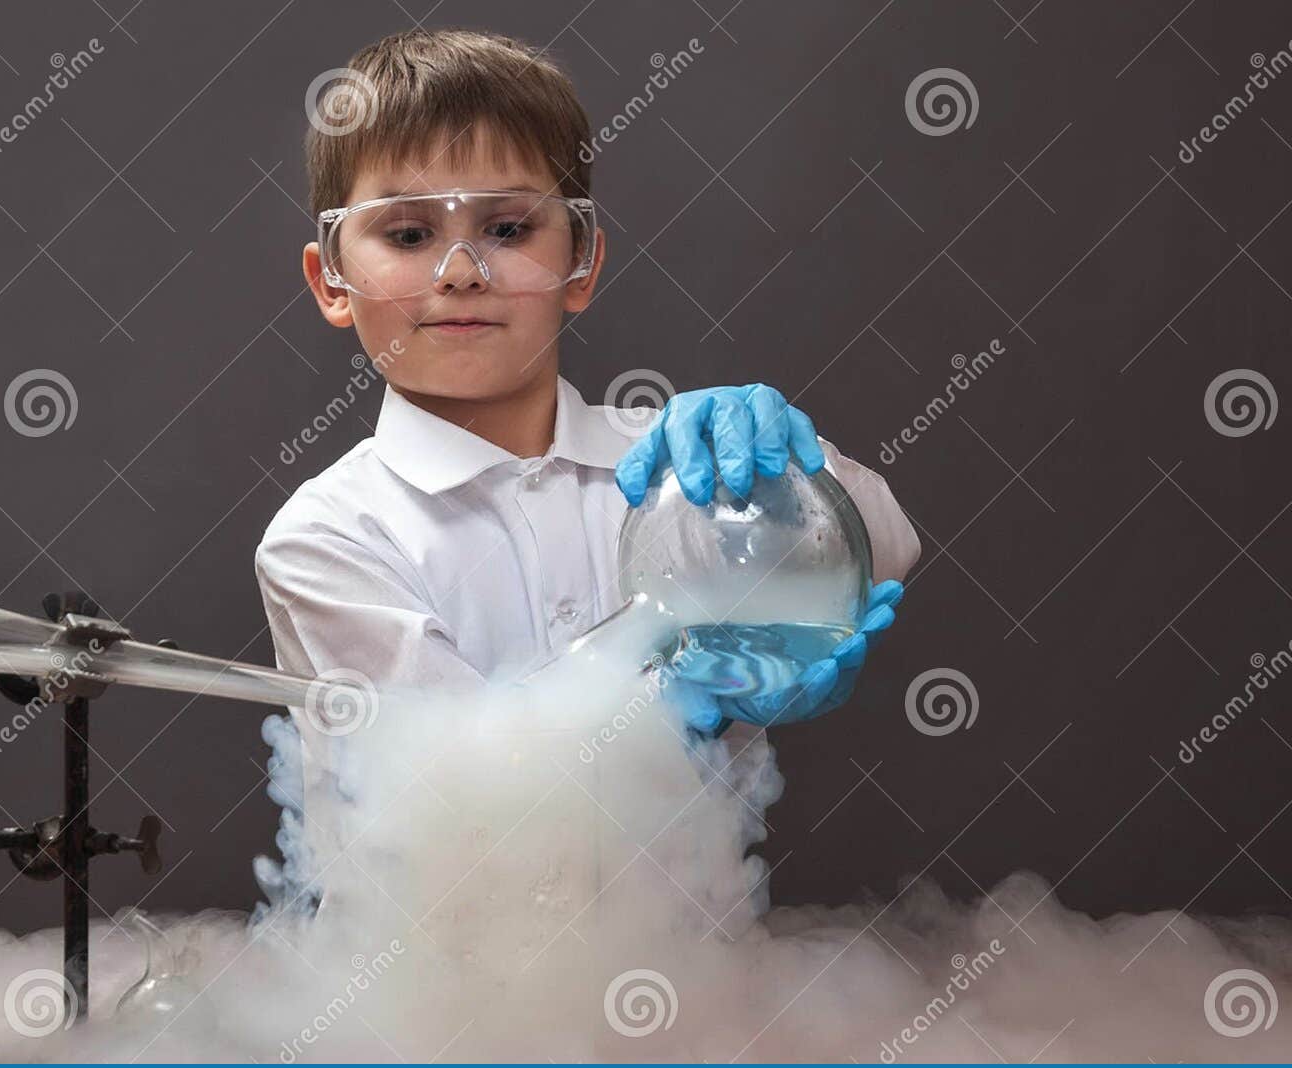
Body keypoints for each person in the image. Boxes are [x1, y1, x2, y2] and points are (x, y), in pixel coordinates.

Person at [256, 28, 920, 773]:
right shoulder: (327, 537)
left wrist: (787, 473)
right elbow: (458, 788)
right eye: (409, 234)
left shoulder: (679, 470)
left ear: (581, 261)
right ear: (332, 281)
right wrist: (659, 700)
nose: (461, 272)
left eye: (507, 228)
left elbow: (886, 545)